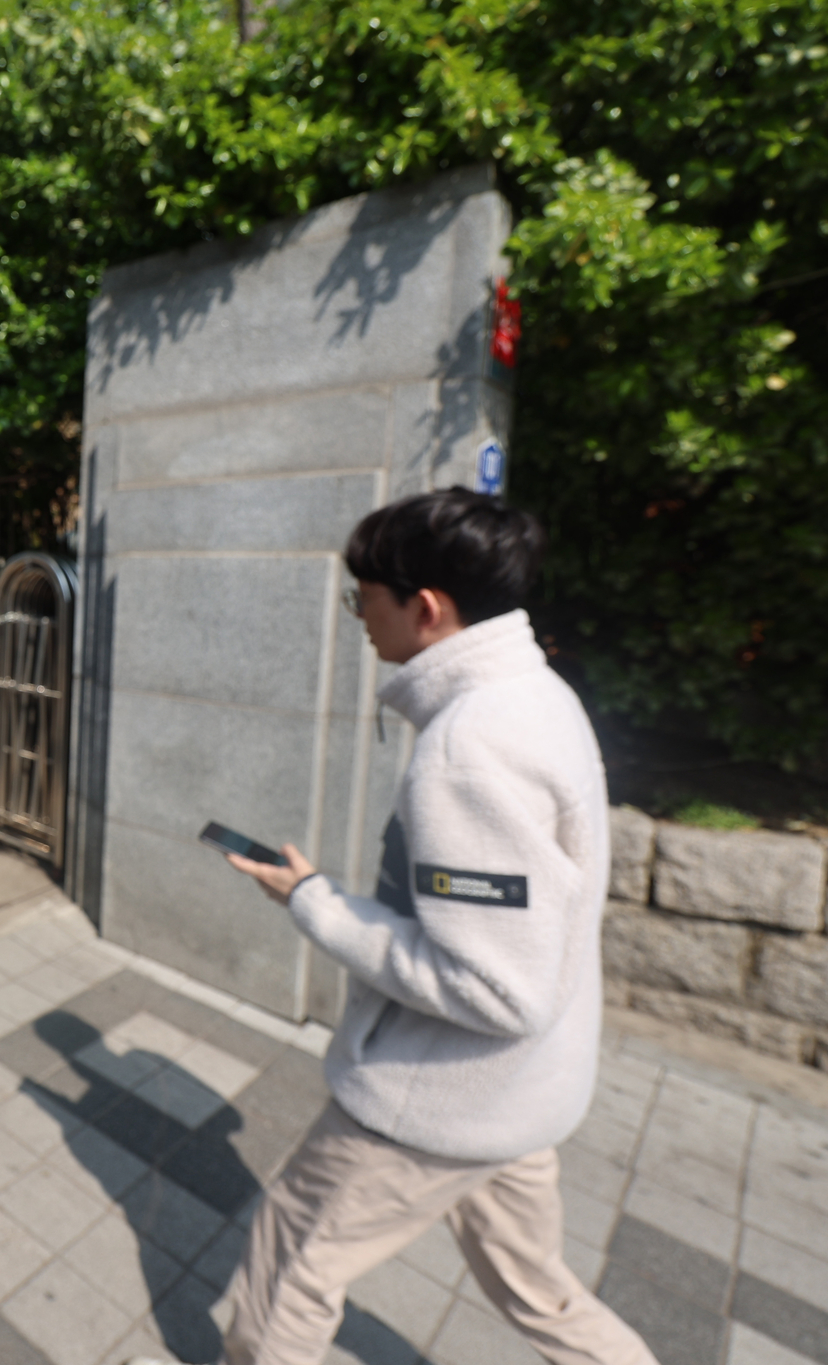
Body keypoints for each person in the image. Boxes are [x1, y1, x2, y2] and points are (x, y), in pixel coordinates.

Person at [130, 488, 657, 1365]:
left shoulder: (469, 747)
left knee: (286, 1268)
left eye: (362, 597)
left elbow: (496, 986)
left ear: (426, 607)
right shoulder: (541, 695)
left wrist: (317, 907)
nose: (358, 619)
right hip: (521, 1097)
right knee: (539, 1291)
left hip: (437, 1100)